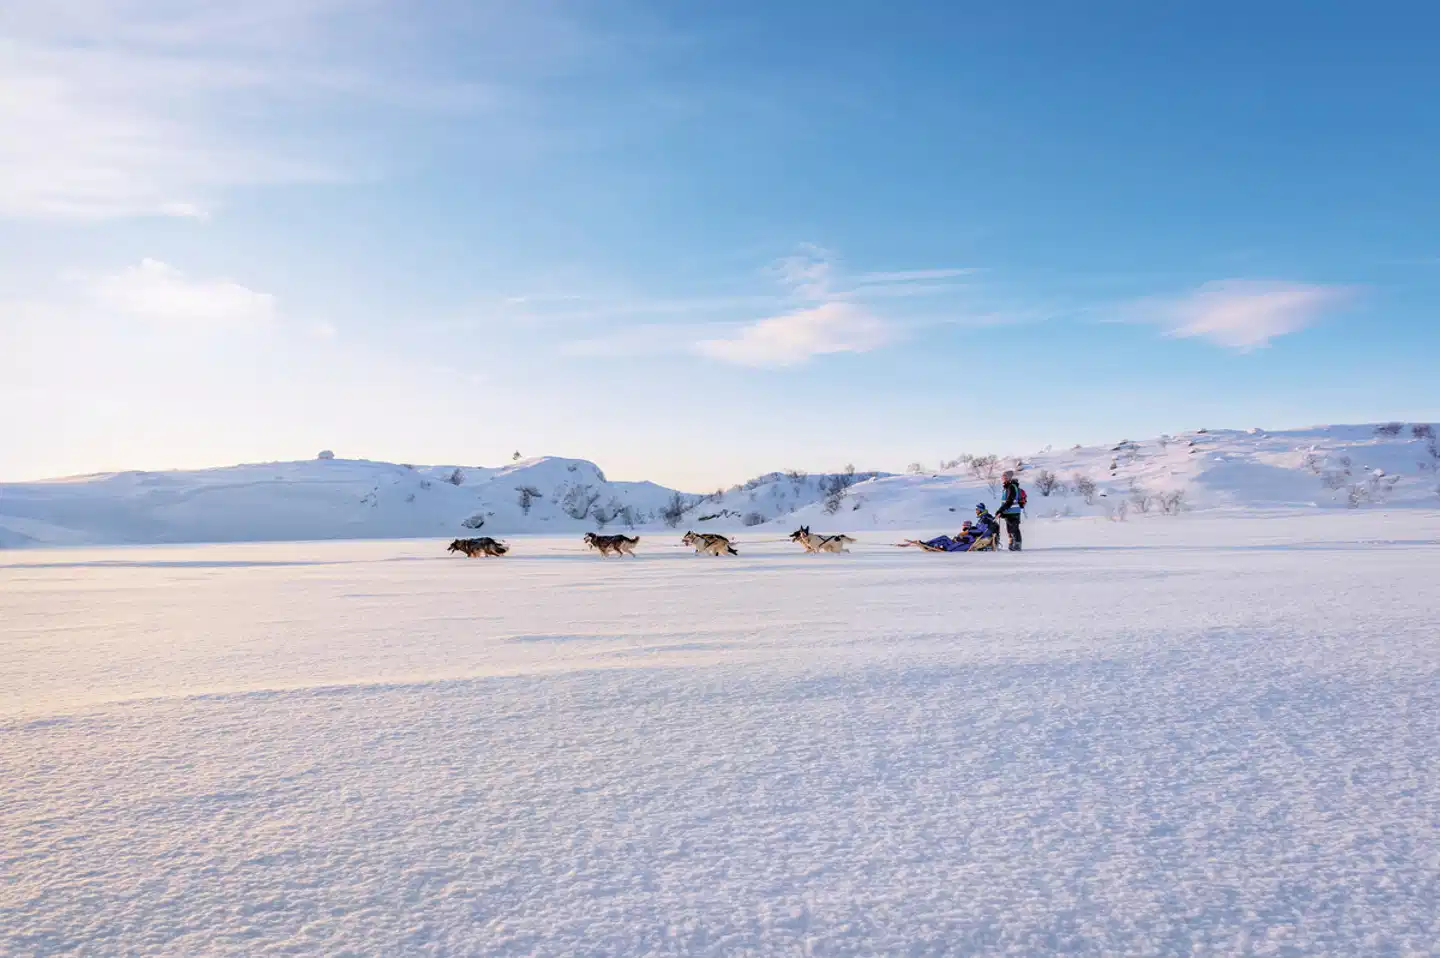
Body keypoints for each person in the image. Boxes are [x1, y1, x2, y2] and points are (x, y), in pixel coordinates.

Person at [996, 470, 1024, 551]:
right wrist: (1003, 512)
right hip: (1009, 512)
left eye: (1005, 477)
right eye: (1002, 477)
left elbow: (1009, 501)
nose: (1003, 478)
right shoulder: (1007, 487)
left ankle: (1017, 545)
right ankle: (1012, 544)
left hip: (1013, 512)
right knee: (1010, 530)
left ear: (1009, 478)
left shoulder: (1011, 487)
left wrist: (1000, 510)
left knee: (1014, 529)